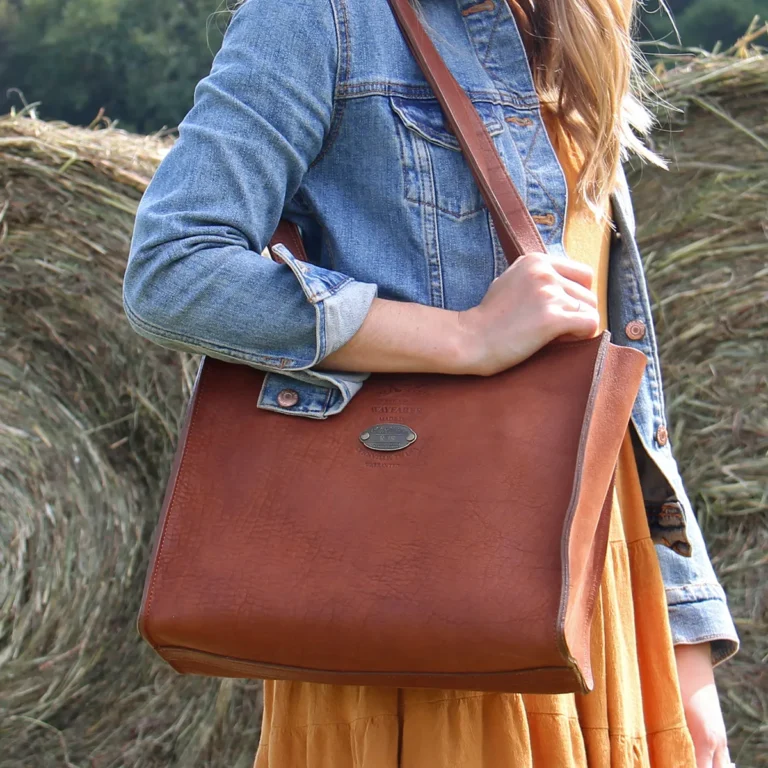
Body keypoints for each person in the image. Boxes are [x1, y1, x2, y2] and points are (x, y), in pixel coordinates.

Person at [123, 0, 740, 765]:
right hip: (416, 596)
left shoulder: (586, 20)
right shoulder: (319, 18)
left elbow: (619, 368)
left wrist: (683, 634)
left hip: (600, 586)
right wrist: (464, 336)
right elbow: (172, 268)